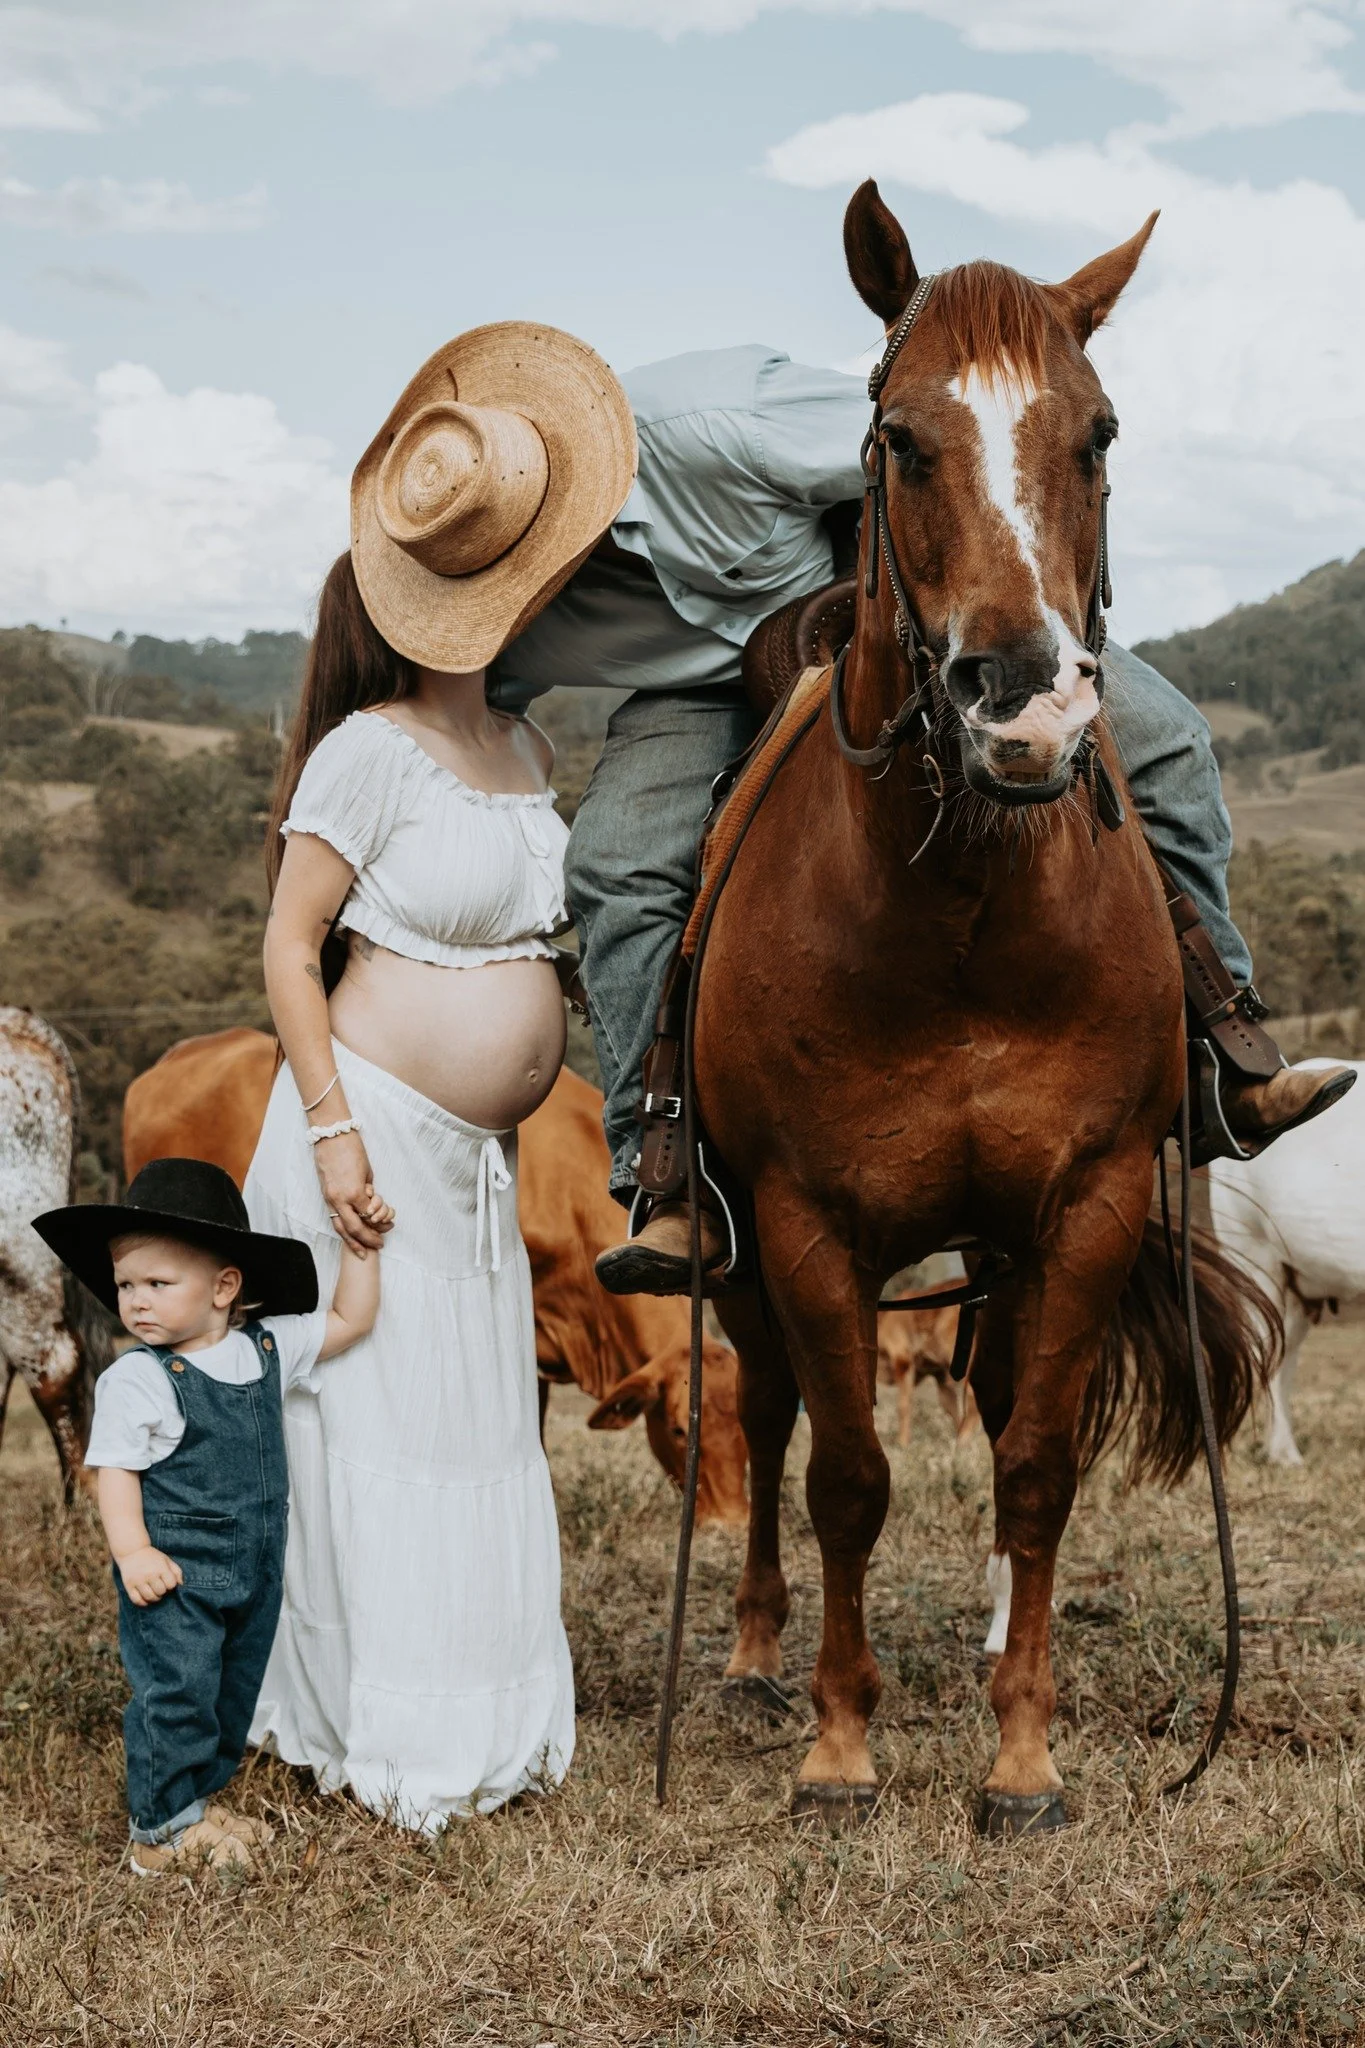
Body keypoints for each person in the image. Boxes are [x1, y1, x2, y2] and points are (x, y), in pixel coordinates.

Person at [482, 343, 1352, 1286]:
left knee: (1172, 743)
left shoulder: (718, 424)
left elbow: (962, 453)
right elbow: (483, 709)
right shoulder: (488, 597)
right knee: (615, 862)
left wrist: (1013, 619)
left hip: (903, 626)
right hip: (698, 694)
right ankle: (670, 1176)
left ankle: (1221, 1054)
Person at [246, 322, 636, 1830]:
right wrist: (335, 1132)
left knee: (474, 1429)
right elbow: (289, 952)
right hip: (372, 1138)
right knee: (382, 1436)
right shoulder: (369, 748)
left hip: (471, 1165)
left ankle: (482, 1707)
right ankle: (378, 1723)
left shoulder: (528, 749)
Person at [31, 1157, 382, 1876]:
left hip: (253, 1568)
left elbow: (350, 1320)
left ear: (225, 1287)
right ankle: (157, 1830)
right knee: (178, 1694)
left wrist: (360, 1252)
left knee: (229, 1694)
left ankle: (195, 1799)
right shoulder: (140, 1376)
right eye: (126, 1285)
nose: (136, 1302)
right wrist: (132, 1553)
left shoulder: (266, 1349)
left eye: (158, 1284)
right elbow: (115, 1472)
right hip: (175, 1575)